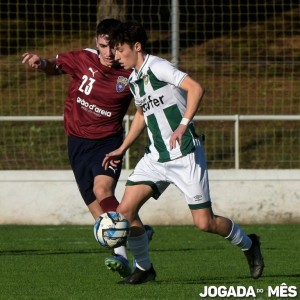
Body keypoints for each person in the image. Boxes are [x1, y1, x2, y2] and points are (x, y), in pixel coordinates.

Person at [102, 21, 265, 284]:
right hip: (156, 157)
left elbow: (195, 89)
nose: (115, 56)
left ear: (137, 47)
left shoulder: (157, 66)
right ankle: (144, 269)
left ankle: (249, 244)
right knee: (125, 211)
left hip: (185, 154)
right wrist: (122, 147)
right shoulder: (133, 79)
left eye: (119, 50)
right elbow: (143, 114)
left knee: (205, 223)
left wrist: (182, 125)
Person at [21, 18, 153, 278]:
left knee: (102, 189)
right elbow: (55, 67)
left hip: (108, 143)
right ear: (96, 42)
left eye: (111, 47)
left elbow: (147, 103)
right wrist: (42, 63)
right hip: (77, 143)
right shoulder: (83, 58)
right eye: (102, 46)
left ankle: (125, 258)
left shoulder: (129, 71)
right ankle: (136, 231)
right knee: (97, 211)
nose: (107, 53)